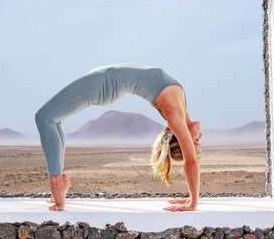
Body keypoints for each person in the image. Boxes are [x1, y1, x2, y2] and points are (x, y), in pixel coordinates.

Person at [35, 63, 202, 212]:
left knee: (45, 118)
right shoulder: (181, 108)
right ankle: (60, 177)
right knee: (54, 120)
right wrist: (191, 197)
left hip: (105, 83)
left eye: (195, 142)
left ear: (180, 137)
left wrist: (192, 203)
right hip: (105, 78)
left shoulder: (174, 116)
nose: (199, 137)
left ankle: (57, 181)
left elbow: (191, 161)